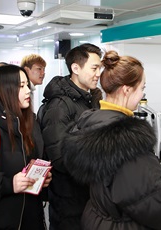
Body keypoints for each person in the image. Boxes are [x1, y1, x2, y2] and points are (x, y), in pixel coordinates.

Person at [62, 50, 161, 230]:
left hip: (98, 219)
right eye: (142, 88)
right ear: (127, 90)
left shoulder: (92, 123)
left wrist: (155, 185)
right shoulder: (127, 141)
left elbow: (123, 186)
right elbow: (155, 209)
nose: (142, 95)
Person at [0, 64, 52, 229]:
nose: (28, 90)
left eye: (27, 85)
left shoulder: (31, 124)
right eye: (21, 86)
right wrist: (9, 184)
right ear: (5, 90)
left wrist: (39, 177)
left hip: (31, 219)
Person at [38, 43, 103, 230]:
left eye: (99, 68)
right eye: (94, 68)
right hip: (69, 201)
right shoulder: (59, 106)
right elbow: (60, 157)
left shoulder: (88, 99)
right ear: (76, 68)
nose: (98, 73)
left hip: (86, 195)